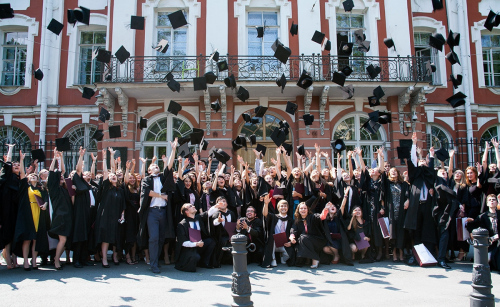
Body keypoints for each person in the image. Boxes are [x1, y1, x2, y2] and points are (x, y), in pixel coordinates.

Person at [138, 139, 177, 274]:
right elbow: (148, 193)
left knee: (161, 238)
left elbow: (170, 166)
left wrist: (173, 150)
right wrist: (161, 196)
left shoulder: (161, 178)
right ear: (149, 170)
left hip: (163, 212)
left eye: (157, 166)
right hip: (152, 213)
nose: (157, 167)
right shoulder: (146, 180)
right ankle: (153, 264)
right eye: (154, 167)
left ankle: (156, 260)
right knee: (153, 237)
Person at [406, 132, 436, 264]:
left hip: (427, 206)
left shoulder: (429, 179)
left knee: (427, 230)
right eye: (421, 162)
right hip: (417, 206)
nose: (422, 163)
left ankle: (429, 255)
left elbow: (431, 169)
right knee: (416, 231)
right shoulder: (415, 177)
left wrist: (432, 157)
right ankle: (417, 255)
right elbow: (412, 162)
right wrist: (414, 144)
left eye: (424, 162)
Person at [94, 148, 126, 268]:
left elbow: (123, 205)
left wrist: (122, 215)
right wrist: (105, 158)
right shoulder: (106, 188)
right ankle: (104, 259)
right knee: (105, 237)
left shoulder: (120, 190)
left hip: (116, 216)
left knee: (115, 237)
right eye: (111, 176)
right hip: (105, 216)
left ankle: (114, 256)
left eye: (114, 176)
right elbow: (106, 172)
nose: (113, 176)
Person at [47, 149, 73, 270]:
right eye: (60, 178)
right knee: (63, 239)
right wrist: (54, 158)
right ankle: (56, 260)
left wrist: (61, 157)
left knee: (65, 240)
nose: (61, 178)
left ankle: (56, 258)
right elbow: (51, 171)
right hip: (60, 216)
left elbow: (63, 171)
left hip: (68, 216)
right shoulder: (54, 189)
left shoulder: (65, 189)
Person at [174, 203, 215, 272]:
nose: (193, 206)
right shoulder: (182, 224)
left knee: (211, 241)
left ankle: (204, 263)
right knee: (195, 257)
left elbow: (209, 213)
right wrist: (196, 244)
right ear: (186, 211)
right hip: (189, 248)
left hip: (199, 244)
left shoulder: (198, 218)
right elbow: (183, 242)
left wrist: (217, 206)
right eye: (190, 206)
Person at [71, 147, 94, 268]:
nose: (83, 169)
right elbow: (78, 169)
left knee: (86, 236)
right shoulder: (77, 180)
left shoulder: (86, 183)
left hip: (87, 212)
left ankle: (84, 258)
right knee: (79, 236)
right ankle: (76, 260)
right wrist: (81, 156)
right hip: (79, 212)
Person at [289, 202, 330, 269]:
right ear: (298, 210)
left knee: (302, 237)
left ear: (308, 210)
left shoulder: (312, 217)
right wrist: (292, 238)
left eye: (305, 208)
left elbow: (321, 217)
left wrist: (325, 209)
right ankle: (308, 259)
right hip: (305, 242)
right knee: (301, 238)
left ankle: (315, 259)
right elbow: (293, 230)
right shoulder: (297, 221)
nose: (303, 210)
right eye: (301, 208)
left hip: (317, 241)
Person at [466, 194, 499, 273]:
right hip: (489, 243)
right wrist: (471, 230)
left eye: (493, 200)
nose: (492, 201)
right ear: (487, 203)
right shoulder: (482, 216)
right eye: (490, 200)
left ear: (497, 203)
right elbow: (471, 225)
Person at [0, 144, 21, 269]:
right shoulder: (7, 177)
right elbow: (7, 164)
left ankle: (14, 259)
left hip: (16, 209)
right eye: (15, 165)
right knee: (7, 234)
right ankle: (8, 261)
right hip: (6, 209)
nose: (16, 166)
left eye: (18, 165)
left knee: (14, 233)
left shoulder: (19, 179)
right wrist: (11, 149)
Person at [262, 197, 295, 267]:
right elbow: (265, 214)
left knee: (290, 255)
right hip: (274, 243)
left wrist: (290, 242)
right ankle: (273, 259)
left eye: (285, 206)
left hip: (285, 243)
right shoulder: (274, 217)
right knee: (272, 239)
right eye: (281, 206)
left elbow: (293, 231)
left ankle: (283, 257)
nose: (283, 208)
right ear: (278, 208)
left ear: (288, 208)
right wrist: (266, 204)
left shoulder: (290, 220)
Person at [210, 196, 236, 267]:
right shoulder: (216, 214)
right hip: (219, 236)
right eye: (220, 202)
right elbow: (214, 223)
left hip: (230, 236)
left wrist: (232, 236)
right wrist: (218, 221)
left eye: (224, 201)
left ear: (227, 204)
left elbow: (233, 226)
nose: (222, 203)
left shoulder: (231, 213)